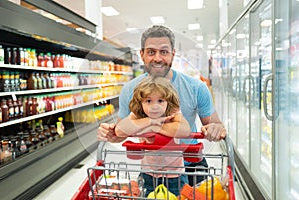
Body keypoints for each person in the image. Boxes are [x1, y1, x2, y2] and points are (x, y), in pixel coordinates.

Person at [97, 25, 226, 186]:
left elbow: (214, 124)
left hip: (192, 163)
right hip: (152, 168)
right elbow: (121, 132)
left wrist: (216, 128)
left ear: (173, 55)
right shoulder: (130, 89)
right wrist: (111, 133)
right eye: (151, 52)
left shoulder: (196, 87)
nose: (157, 58)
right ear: (142, 55)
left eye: (164, 52)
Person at [115, 76, 191, 196]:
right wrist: (149, 121)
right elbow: (119, 130)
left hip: (175, 177)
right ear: (140, 102)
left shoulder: (173, 113)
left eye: (160, 101)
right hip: (148, 175)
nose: (154, 106)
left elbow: (185, 130)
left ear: (168, 101)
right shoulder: (139, 114)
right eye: (148, 101)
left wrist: (156, 127)